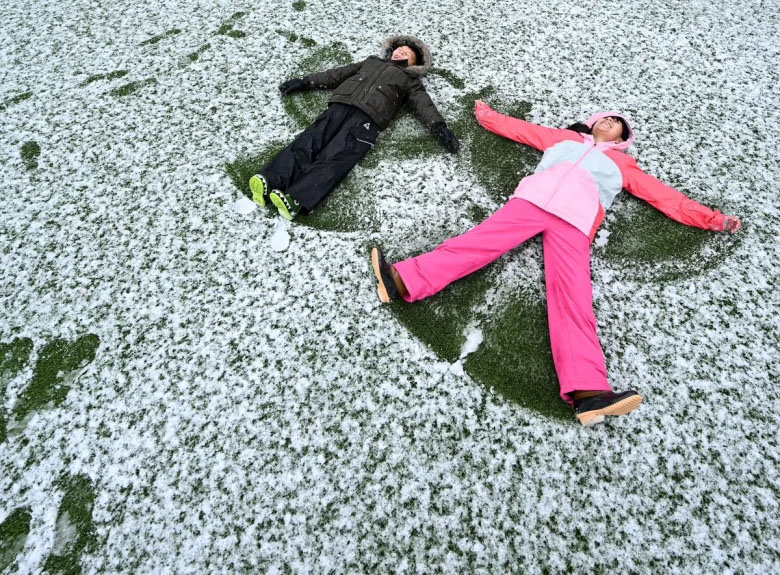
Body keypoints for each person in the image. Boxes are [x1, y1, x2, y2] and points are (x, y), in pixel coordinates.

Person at [371, 100, 741, 426]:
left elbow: (666, 197)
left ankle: (589, 392)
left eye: (618, 124)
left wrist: (712, 219)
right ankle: (401, 281)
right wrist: (486, 115)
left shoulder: (625, 166)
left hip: (576, 221)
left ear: (623, 138)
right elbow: (521, 130)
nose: (611, 123)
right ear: (593, 122)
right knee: (476, 244)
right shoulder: (564, 139)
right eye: (607, 118)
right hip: (532, 202)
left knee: (573, 297)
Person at [250, 34, 459, 220]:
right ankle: (270, 180)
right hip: (339, 106)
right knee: (308, 141)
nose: (400, 53)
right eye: (399, 49)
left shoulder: (410, 80)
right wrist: (305, 82)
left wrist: (438, 126)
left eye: (407, 54)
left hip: (367, 121)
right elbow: (337, 74)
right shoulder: (371, 62)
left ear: (415, 64)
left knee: (336, 156)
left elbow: (423, 104)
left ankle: (296, 198)